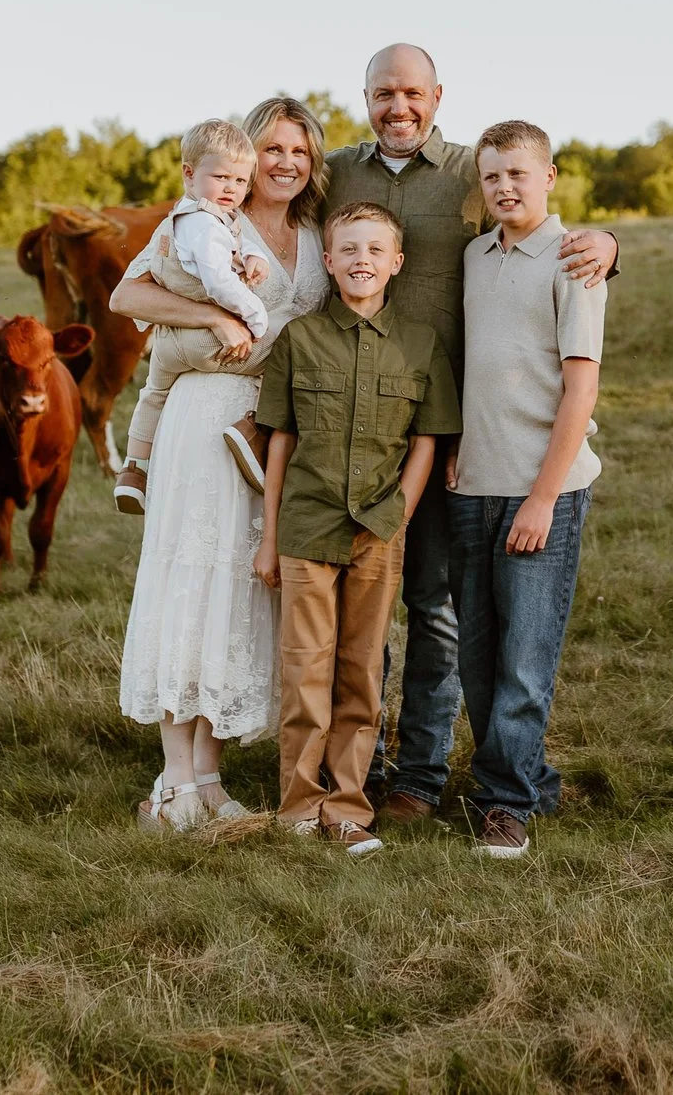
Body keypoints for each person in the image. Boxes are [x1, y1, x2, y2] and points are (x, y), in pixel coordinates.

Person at [113, 46, 618, 827]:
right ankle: (340, 772)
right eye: (384, 93)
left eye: (412, 93)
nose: (399, 107)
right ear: (366, 100)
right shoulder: (320, 180)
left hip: (438, 427)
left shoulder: (468, 173)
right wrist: (211, 317)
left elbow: (535, 223)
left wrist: (609, 246)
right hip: (320, 432)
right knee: (327, 612)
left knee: (436, 612)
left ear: (436, 96)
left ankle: (418, 774)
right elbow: (171, 261)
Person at [115, 98, 331, 832]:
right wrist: (211, 316)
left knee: (241, 586)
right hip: (207, 410)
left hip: (270, 427)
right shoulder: (205, 220)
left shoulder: (316, 233)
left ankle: (209, 776)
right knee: (192, 576)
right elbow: (126, 292)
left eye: (299, 152)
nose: (284, 163)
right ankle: (174, 780)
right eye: (272, 148)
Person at [252, 203, 459, 856]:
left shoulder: (420, 344)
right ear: (330, 260)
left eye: (375, 249)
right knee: (304, 672)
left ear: (396, 262)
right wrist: (268, 535)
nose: (362, 259)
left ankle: (346, 808)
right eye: (349, 249)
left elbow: (427, 439)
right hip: (306, 529)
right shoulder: (299, 341)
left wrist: (399, 509)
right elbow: (279, 441)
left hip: (379, 533)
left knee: (362, 672)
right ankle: (298, 806)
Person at [447, 121, 606, 860]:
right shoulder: (476, 256)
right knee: (478, 658)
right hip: (472, 484)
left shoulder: (574, 260)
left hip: (542, 488)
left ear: (549, 177)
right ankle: (530, 779)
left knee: (522, 656)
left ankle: (505, 804)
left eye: (518, 173)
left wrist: (544, 498)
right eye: (491, 176)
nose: (505, 186)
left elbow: (579, 390)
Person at [111, 118, 274, 517]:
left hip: (169, 346)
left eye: (240, 181)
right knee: (294, 348)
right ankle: (256, 434)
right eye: (221, 177)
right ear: (189, 173)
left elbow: (237, 241)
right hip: (210, 341)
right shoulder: (205, 223)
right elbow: (219, 281)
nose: (232, 189)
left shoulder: (193, 217)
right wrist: (255, 317)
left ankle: (134, 469)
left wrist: (255, 257)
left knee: (152, 394)